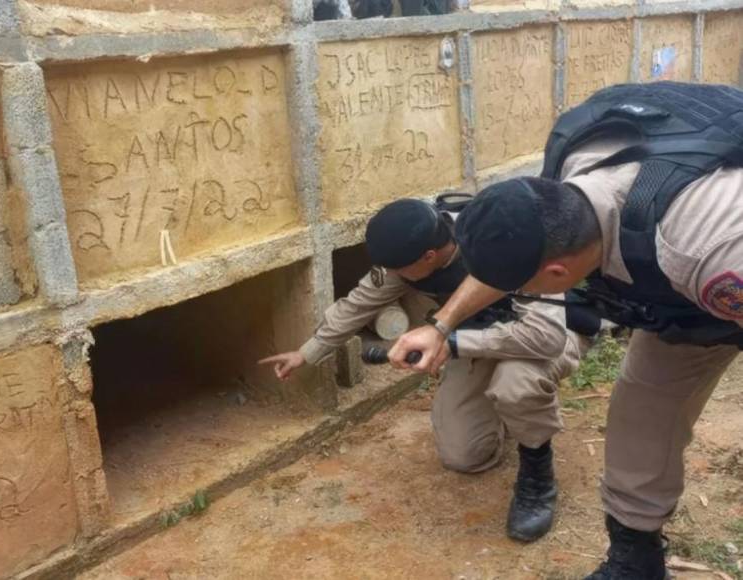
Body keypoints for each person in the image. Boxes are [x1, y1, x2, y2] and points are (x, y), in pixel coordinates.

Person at [387, 81, 743, 580]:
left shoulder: (705, 250)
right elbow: (515, 256)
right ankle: (635, 560)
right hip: (684, 288)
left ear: (557, 274)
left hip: (716, 249)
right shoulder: (567, 182)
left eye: (520, 286)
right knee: (641, 411)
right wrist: (442, 326)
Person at [259, 196, 593, 542]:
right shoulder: (414, 253)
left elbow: (545, 337)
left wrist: (452, 344)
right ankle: (507, 414)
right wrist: (307, 352)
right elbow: (358, 304)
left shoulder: (505, 241)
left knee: (515, 384)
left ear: (429, 256)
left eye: (398, 269)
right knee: (463, 455)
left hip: (552, 333)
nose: (392, 275)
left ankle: (537, 476)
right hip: (480, 339)